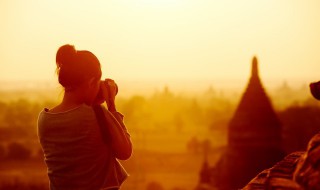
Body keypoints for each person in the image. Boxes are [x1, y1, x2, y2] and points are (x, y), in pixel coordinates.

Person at [37, 44, 132, 190]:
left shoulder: (44, 119)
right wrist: (111, 105)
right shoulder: (97, 113)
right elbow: (125, 151)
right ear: (90, 82)